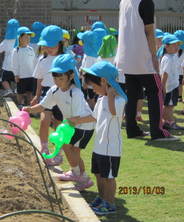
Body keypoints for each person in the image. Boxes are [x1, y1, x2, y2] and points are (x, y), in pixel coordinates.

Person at [24, 54, 96, 191]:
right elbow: (44, 105)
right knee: (72, 151)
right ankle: (78, 174)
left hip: (84, 125)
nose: (57, 81)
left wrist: (63, 130)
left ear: (70, 76)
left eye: (61, 78)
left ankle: (82, 178)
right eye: (55, 77)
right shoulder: (54, 90)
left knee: (70, 149)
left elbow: (76, 118)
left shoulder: (75, 93)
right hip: (72, 124)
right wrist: (29, 109)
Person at [115, 0, 178, 141]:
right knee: (156, 92)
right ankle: (157, 131)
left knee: (131, 96)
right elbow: (149, 31)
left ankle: (132, 130)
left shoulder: (124, 2)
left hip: (125, 58)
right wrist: (154, 56)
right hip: (143, 58)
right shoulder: (146, 2)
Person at [82, 61, 127, 215]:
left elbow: (114, 113)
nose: (93, 89)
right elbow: (94, 118)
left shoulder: (119, 100)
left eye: (94, 85)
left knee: (108, 178)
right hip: (99, 147)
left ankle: (110, 203)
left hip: (111, 149)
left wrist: (111, 95)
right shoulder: (101, 100)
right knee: (98, 174)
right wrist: (76, 120)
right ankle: (102, 198)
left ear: (104, 81)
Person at [31, 25, 65, 166]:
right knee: (44, 121)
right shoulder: (42, 60)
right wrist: (37, 95)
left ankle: (58, 151)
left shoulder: (65, 59)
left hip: (62, 94)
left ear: (60, 44)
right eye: (46, 45)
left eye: (52, 45)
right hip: (46, 93)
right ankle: (43, 148)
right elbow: (39, 79)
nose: (49, 49)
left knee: (58, 126)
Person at [159, 34, 184, 130]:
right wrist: (163, 87)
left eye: (177, 44)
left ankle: (166, 122)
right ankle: (169, 122)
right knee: (168, 106)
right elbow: (165, 74)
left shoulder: (173, 56)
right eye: (174, 45)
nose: (177, 47)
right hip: (169, 87)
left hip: (173, 86)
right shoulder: (168, 58)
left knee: (171, 105)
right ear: (166, 46)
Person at [11, 27, 36, 107]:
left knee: (30, 92)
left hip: (31, 75)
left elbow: (34, 62)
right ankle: (20, 104)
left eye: (29, 37)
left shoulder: (31, 49)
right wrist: (16, 74)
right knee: (20, 92)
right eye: (26, 37)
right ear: (20, 38)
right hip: (21, 76)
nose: (28, 39)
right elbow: (14, 63)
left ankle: (30, 106)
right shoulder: (16, 50)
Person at [0, 19, 20, 96]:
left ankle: (9, 90)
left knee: (4, 79)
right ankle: (17, 91)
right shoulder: (21, 39)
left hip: (7, 66)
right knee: (18, 80)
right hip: (18, 65)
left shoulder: (7, 40)